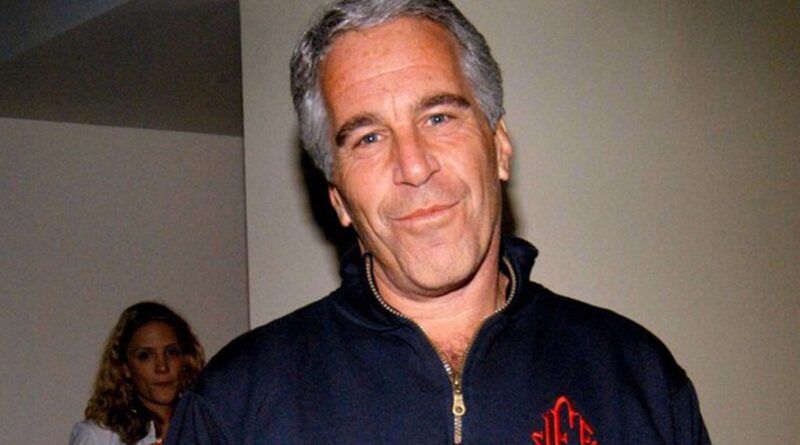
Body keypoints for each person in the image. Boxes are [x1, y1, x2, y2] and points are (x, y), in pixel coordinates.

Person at [167, 1, 711, 444]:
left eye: (438, 117)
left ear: (499, 148)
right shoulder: (234, 408)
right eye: (368, 138)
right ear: (338, 198)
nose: (413, 166)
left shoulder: (636, 377)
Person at [70, 302, 205, 445]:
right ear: (125, 367)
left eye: (171, 352)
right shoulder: (98, 437)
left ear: (185, 359)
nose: (162, 367)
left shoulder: (206, 425)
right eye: (145, 356)